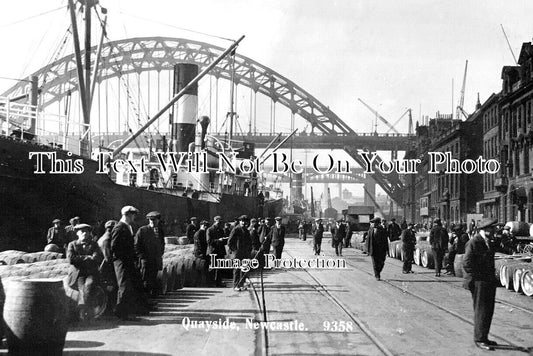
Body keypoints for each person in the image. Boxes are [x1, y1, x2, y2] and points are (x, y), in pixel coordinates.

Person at [462, 218, 499, 351]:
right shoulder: (474, 242)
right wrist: (478, 277)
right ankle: (479, 339)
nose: (494, 230)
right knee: (481, 310)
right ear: (485, 230)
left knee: (488, 310)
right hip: (479, 282)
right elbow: (466, 263)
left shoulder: (488, 241)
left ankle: (484, 336)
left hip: (488, 282)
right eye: (492, 228)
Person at [111, 205, 148, 320]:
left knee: (131, 285)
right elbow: (114, 247)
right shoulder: (119, 227)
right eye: (133, 214)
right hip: (122, 262)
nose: (134, 217)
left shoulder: (127, 226)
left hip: (127, 261)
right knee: (124, 286)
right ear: (127, 215)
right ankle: (121, 313)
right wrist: (125, 258)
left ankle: (130, 311)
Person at [66, 223, 103, 320]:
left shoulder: (94, 244)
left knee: (89, 285)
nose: (85, 234)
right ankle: (86, 311)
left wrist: (81, 258)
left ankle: (84, 310)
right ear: (77, 233)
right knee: (82, 288)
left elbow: (98, 257)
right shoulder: (72, 244)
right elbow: (71, 259)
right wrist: (87, 257)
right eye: (82, 232)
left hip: (91, 273)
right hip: (78, 274)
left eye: (87, 231)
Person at [134, 211, 165, 297]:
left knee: (154, 278)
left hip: (156, 259)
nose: (152, 222)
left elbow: (162, 243)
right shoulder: (143, 230)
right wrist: (142, 257)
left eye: (154, 220)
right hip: (146, 260)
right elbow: (136, 245)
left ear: (158, 220)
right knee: (145, 279)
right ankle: (145, 297)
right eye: (151, 220)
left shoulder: (160, 230)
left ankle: (152, 297)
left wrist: (160, 253)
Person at [227, 215, 252, 291]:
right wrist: (235, 251)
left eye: (245, 221)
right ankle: (236, 285)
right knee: (237, 270)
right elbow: (229, 242)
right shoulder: (236, 229)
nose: (244, 222)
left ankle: (241, 284)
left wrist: (248, 250)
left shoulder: (246, 230)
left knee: (244, 269)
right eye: (242, 221)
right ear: (239, 221)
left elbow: (249, 242)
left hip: (245, 253)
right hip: (237, 253)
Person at [98, 220, 118, 311]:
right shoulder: (107, 239)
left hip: (105, 266)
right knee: (111, 287)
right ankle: (110, 308)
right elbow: (107, 257)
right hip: (106, 268)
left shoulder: (104, 237)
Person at [206, 216, 227, 287]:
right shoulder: (210, 230)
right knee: (213, 267)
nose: (220, 224)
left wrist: (224, 240)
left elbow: (223, 240)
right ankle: (211, 282)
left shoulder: (221, 230)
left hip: (220, 251)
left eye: (221, 222)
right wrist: (218, 240)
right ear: (215, 222)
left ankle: (218, 282)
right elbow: (209, 241)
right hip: (213, 251)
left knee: (220, 267)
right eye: (219, 222)